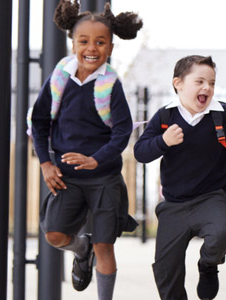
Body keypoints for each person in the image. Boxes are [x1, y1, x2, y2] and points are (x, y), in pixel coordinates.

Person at [29, 1, 142, 298]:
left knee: (104, 244)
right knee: (54, 235)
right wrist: (45, 163)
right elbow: (39, 121)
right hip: (66, 176)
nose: (92, 48)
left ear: (111, 48)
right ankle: (82, 251)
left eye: (100, 42)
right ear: (73, 43)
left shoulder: (110, 85)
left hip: (103, 178)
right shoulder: (59, 78)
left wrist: (96, 159)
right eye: (84, 41)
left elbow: (121, 132)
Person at [134, 55, 226, 300]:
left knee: (223, 233)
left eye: (212, 83)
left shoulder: (222, 114)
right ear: (178, 83)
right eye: (200, 81)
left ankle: (208, 265)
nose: (207, 88)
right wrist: (163, 142)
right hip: (173, 205)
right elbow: (140, 153)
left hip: (211, 198)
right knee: (165, 271)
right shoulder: (165, 118)